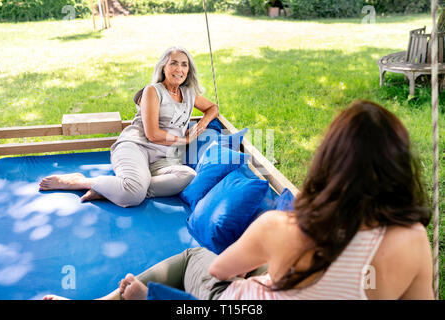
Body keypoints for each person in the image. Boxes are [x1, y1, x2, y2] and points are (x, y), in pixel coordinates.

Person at [43, 100, 434, 300]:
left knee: (196, 259)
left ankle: (137, 298)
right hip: (152, 158)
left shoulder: (283, 228)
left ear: (326, 167)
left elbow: (221, 271)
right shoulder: (414, 239)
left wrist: (265, 268)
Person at [39, 46, 219, 207]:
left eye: (184, 64)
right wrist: (184, 139)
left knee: (188, 176)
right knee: (133, 196)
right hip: (136, 147)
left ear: (189, 70)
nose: (179, 69)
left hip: (163, 159)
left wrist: (200, 126)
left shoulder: (189, 93)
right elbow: (152, 135)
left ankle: (116, 190)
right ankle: (81, 181)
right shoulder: (153, 91)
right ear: (164, 67)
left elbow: (213, 108)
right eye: (173, 63)